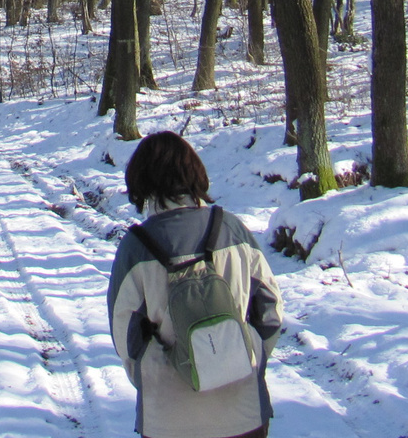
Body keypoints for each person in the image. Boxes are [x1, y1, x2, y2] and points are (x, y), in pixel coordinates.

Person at [108, 131, 282, 438]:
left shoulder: (135, 248)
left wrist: (153, 376)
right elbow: (270, 309)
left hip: (168, 418)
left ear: (141, 181)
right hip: (244, 412)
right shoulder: (232, 229)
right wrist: (249, 356)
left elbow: (126, 337)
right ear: (194, 173)